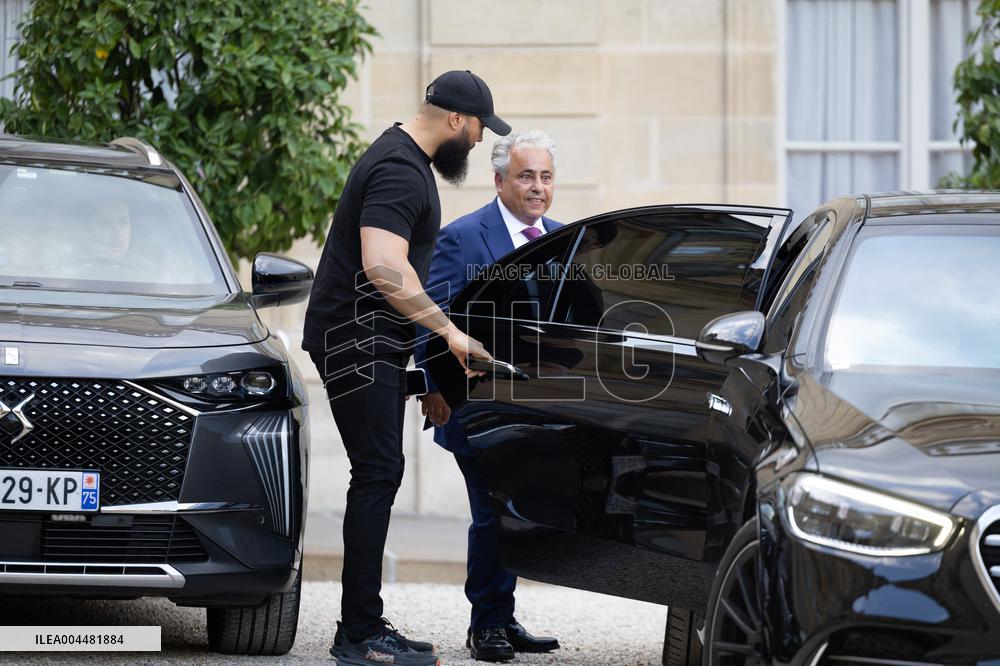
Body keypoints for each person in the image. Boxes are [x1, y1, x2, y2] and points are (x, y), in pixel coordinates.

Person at [301, 70, 508, 666]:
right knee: (378, 473)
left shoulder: (403, 160)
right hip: (353, 339)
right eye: (475, 130)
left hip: (371, 341)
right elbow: (384, 267)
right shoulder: (398, 168)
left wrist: (429, 369)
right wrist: (448, 332)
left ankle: (364, 624)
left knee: (377, 473)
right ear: (453, 119)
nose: (474, 142)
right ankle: (359, 634)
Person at [415, 131, 562, 663]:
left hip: (536, 412)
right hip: (474, 407)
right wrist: (433, 388)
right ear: (500, 180)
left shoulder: (563, 239)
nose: (537, 187)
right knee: (492, 512)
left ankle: (503, 616)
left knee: (515, 511)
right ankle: (486, 626)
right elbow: (429, 321)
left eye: (545, 176)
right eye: (526, 176)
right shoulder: (463, 238)